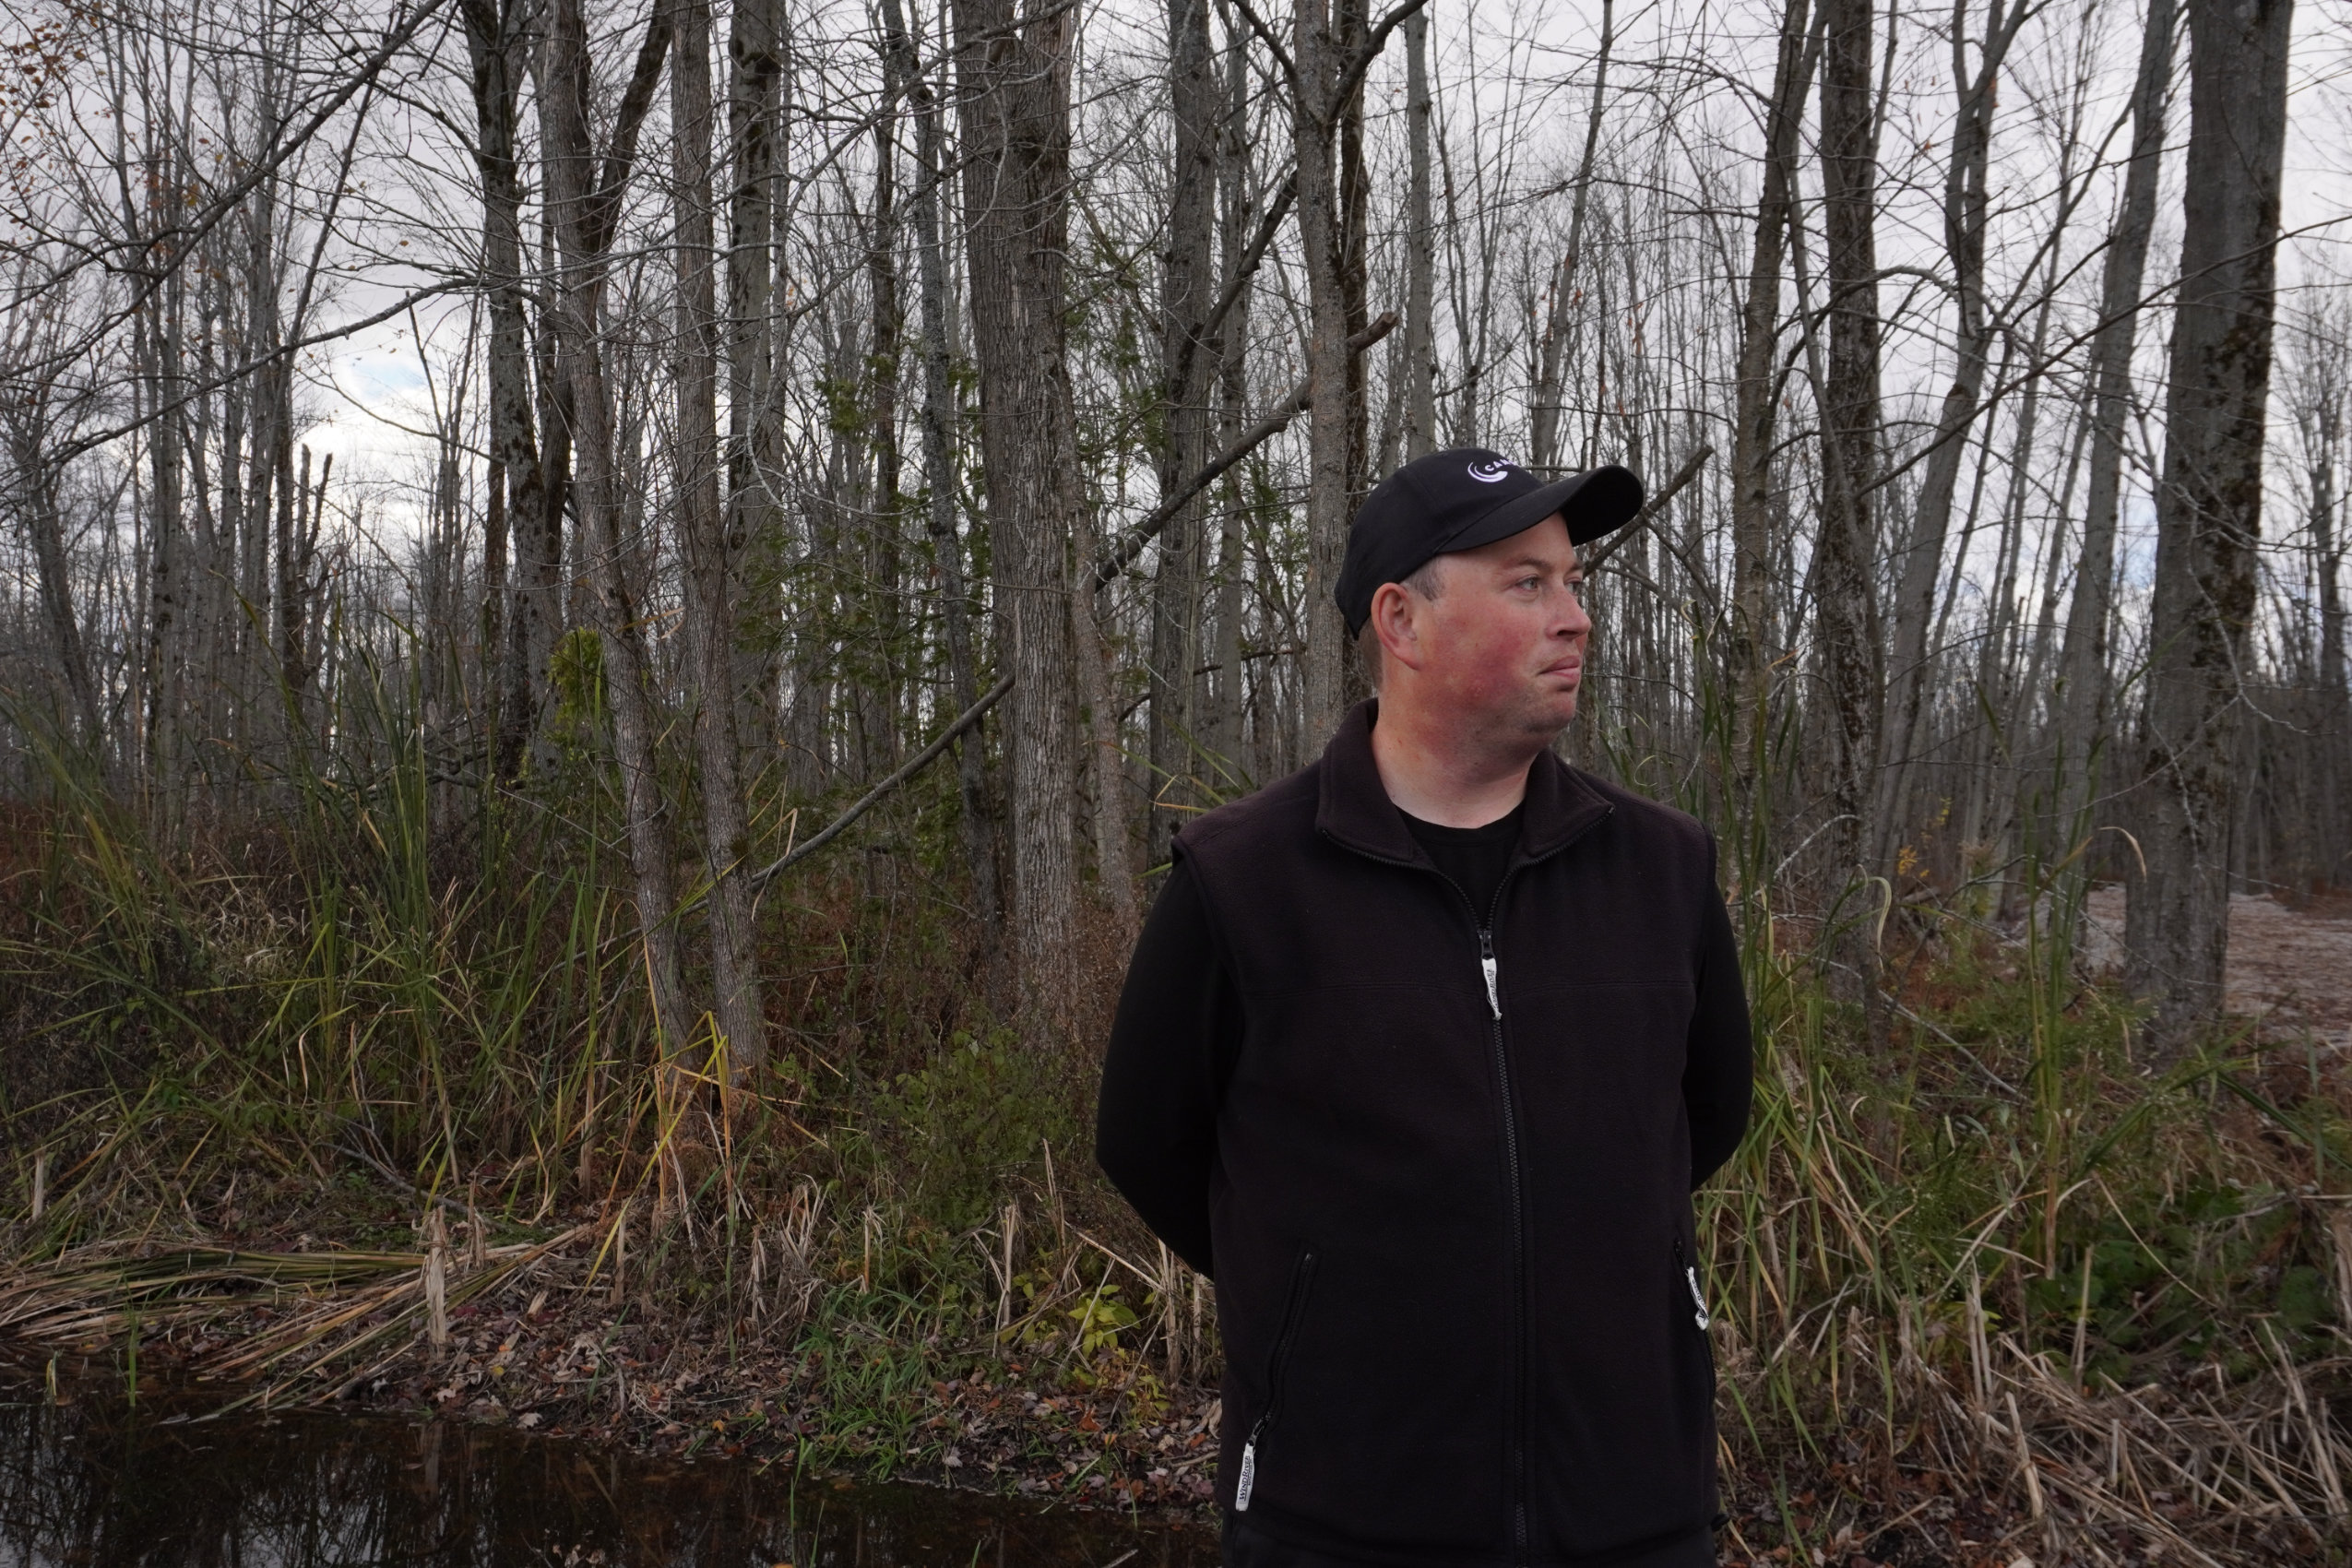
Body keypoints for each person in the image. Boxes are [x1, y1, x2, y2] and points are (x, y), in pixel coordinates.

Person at [1094, 448, 1754, 1568]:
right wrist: (1324, 1289)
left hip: (1632, 1509)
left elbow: (1706, 1112)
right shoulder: (1243, 877)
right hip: (1340, 1518)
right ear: (1402, 619)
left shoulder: (1661, 867)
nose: (1576, 617)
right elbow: (1147, 1142)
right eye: (1527, 582)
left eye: (1574, 582)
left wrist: (1556, 1240)